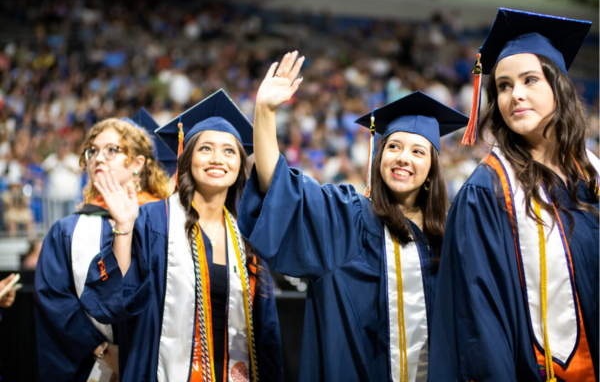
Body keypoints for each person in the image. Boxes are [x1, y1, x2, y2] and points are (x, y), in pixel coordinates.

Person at [237, 51, 468, 381]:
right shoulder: (346, 219)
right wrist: (265, 112)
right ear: (379, 157)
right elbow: (279, 187)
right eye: (393, 147)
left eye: (417, 151)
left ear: (432, 170)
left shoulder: (447, 240)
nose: (403, 158)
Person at [429, 9, 599, 381]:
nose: (515, 95)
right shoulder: (487, 191)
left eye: (529, 80)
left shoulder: (592, 174)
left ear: (560, 86)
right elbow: (480, 321)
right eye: (503, 86)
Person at [79, 90, 283, 382]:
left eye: (229, 151)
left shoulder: (247, 236)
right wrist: (123, 227)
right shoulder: (152, 220)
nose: (217, 159)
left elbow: (267, 331)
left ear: (240, 164)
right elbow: (114, 302)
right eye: (205, 148)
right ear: (187, 157)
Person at [34, 109, 173, 382]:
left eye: (111, 150)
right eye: (92, 151)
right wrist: (101, 350)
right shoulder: (68, 230)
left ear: (137, 163)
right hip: (95, 366)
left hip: (160, 360)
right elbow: (56, 301)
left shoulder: (166, 222)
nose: (98, 157)